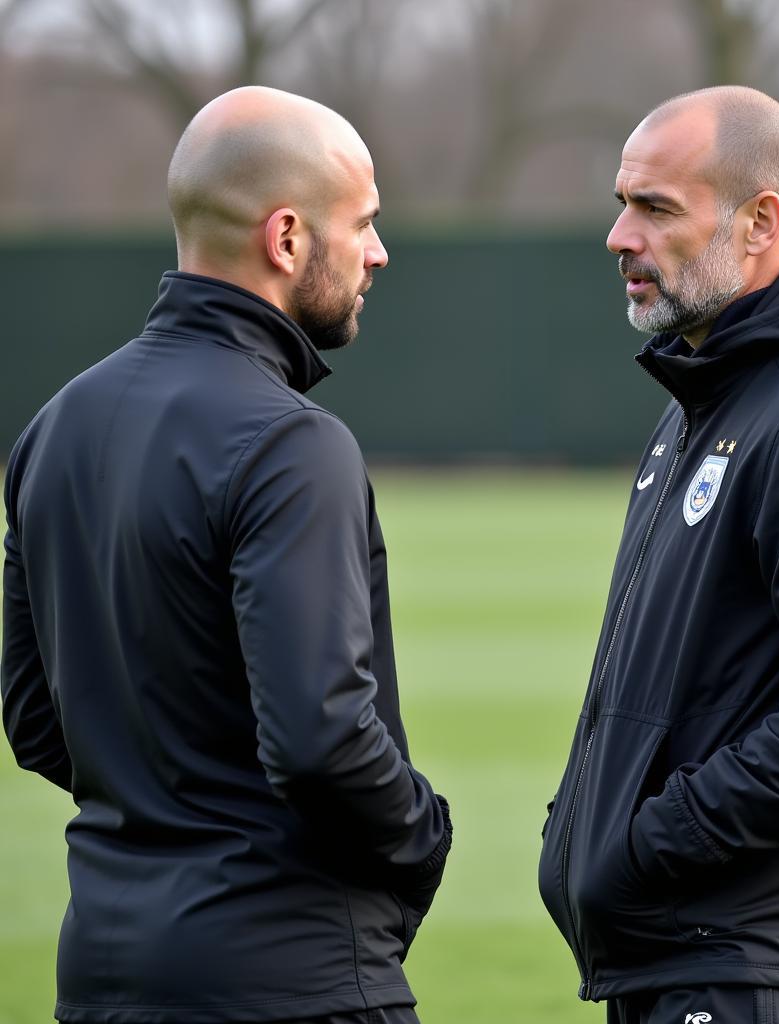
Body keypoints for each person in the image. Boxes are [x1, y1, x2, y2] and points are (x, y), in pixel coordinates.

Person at [2, 86, 451, 1024]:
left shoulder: (54, 429)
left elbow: (37, 722)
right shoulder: (293, 444)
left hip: (100, 982)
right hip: (290, 984)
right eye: (362, 224)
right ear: (287, 239)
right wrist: (424, 834)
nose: (376, 252)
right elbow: (322, 744)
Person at [538, 86, 779, 1024]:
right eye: (621, 203)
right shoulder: (705, 399)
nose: (620, 236)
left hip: (755, 972)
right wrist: (585, 826)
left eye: (656, 208)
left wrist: (650, 842)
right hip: (680, 961)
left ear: (760, 223)